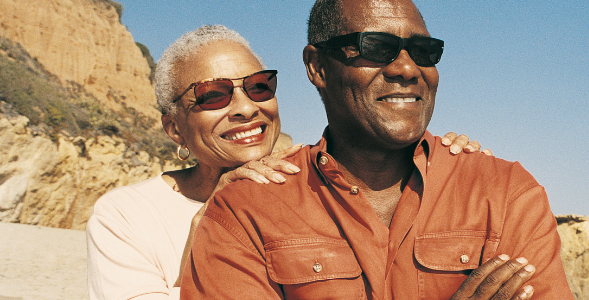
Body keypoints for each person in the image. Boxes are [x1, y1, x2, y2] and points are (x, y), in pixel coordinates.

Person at [180, 0, 574, 299]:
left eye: (424, 51)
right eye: (376, 46)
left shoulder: (505, 194)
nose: (406, 68)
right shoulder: (245, 213)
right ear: (316, 66)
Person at [85, 25, 485, 300]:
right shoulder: (124, 217)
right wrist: (214, 220)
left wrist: (447, 162)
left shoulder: (322, 180)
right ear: (174, 129)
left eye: (259, 87)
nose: (246, 108)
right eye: (213, 96)